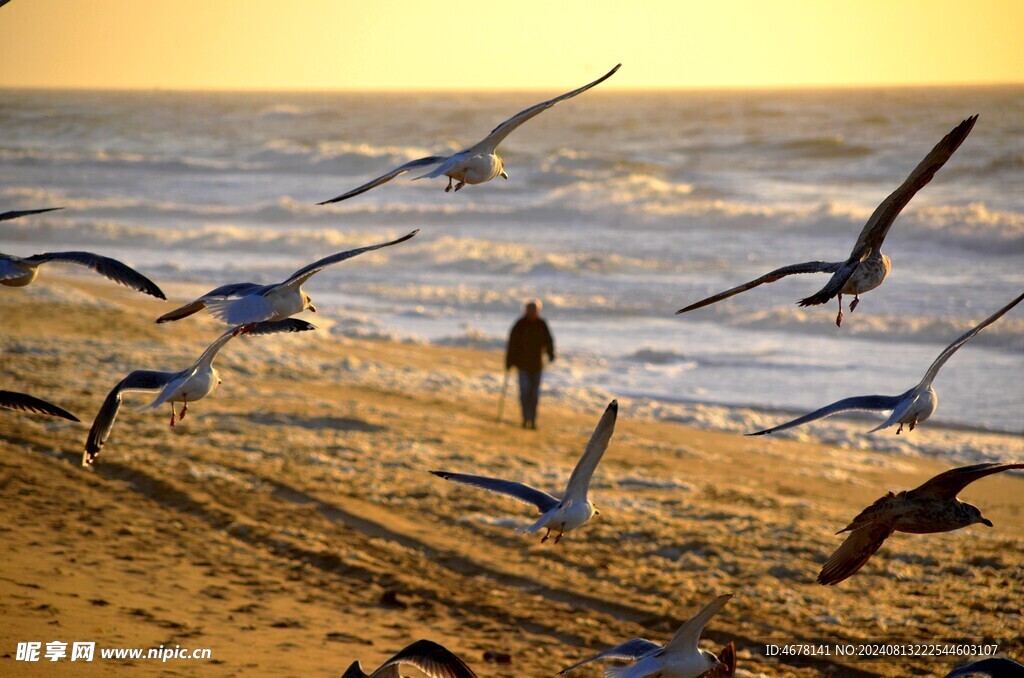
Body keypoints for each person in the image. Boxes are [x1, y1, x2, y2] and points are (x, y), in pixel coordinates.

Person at [505, 300, 555, 429]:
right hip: (523, 365)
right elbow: (512, 344)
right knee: (525, 393)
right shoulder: (520, 325)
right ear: (526, 311)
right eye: (530, 310)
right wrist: (509, 362)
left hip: (537, 365)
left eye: (534, 310)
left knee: (534, 395)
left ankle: (532, 420)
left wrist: (551, 354)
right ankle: (525, 418)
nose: (532, 313)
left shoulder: (542, 324)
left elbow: (549, 340)